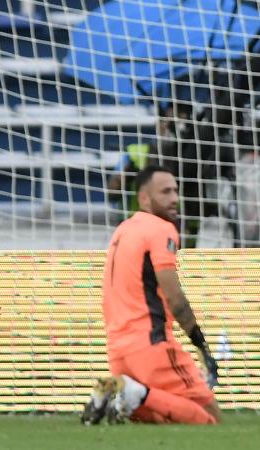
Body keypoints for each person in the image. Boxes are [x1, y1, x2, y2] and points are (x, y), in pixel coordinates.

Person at [81, 165, 221, 426]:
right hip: (151, 345)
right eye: (166, 192)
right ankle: (134, 393)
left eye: (176, 191)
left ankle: (117, 394)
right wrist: (201, 344)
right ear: (144, 197)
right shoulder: (161, 229)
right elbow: (173, 295)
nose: (174, 199)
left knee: (163, 416)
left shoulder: (123, 230)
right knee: (210, 418)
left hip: (118, 350)